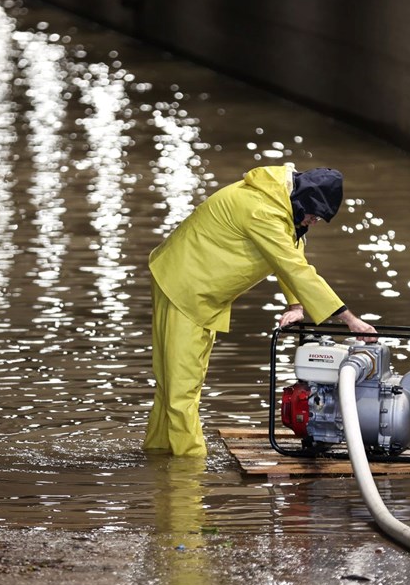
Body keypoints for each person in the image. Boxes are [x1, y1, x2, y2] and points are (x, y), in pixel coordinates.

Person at [145, 165, 377, 457]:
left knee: (175, 383)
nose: (314, 223)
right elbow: (293, 265)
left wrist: (296, 304)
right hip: (184, 284)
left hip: (198, 287)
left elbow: (291, 252)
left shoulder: (280, 201)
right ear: (302, 203)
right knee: (181, 386)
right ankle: (189, 470)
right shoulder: (261, 211)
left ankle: (157, 453)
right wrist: (349, 320)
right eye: (314, 215)